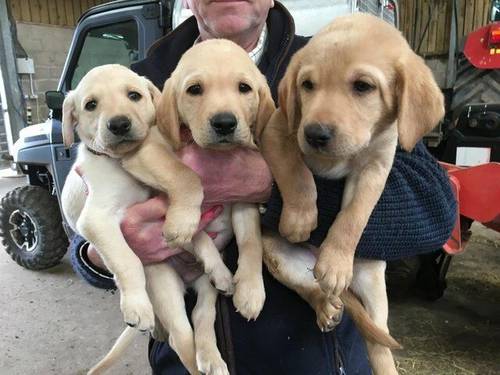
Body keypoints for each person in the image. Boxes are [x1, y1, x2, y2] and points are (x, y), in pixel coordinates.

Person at [76, 1, 457, 374]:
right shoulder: (135, 86)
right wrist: (104, 254)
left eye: (244, 89)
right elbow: (87, 213)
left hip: (315, 360)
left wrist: (268, 187)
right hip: (188, 354)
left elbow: (434, 212)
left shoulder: (329, 61)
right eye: (195, 91)